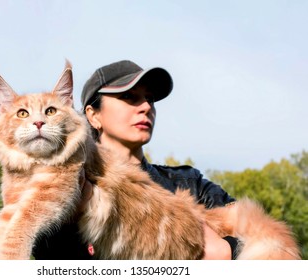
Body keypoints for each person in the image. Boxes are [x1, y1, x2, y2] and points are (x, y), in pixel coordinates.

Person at [33, 60, 239, 260]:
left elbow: (260, 238)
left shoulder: (189, 184)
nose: (146, 107)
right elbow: (44, 255)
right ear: (93, 116)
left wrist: (225, 251)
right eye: (129, 97)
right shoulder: (67, 185)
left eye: (150, 99)